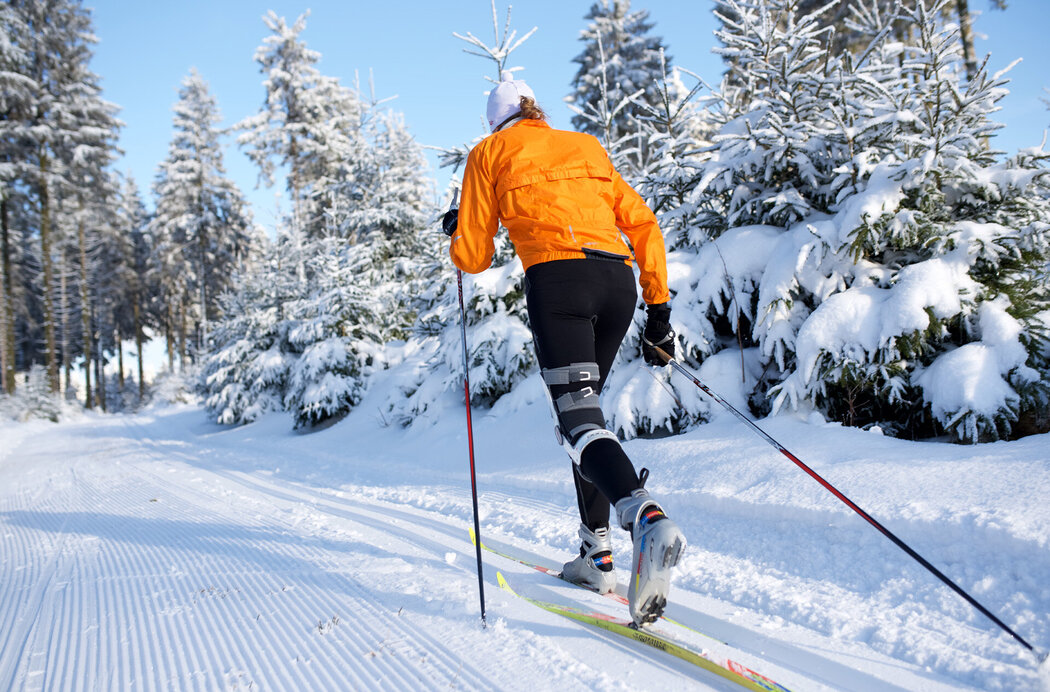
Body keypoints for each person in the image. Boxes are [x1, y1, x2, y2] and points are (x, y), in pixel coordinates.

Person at [442, 71, 686, 627]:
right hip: (617, 282)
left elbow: (475, 255)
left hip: (560, 286)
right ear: (534, 109)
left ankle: (645, 517)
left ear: (495, 121)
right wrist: (660, 312)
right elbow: (643, 223)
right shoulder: (584, 144)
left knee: (578, 422)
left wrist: (458, 232)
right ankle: (595, 554)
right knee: (587, 420)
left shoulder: (489, 153)